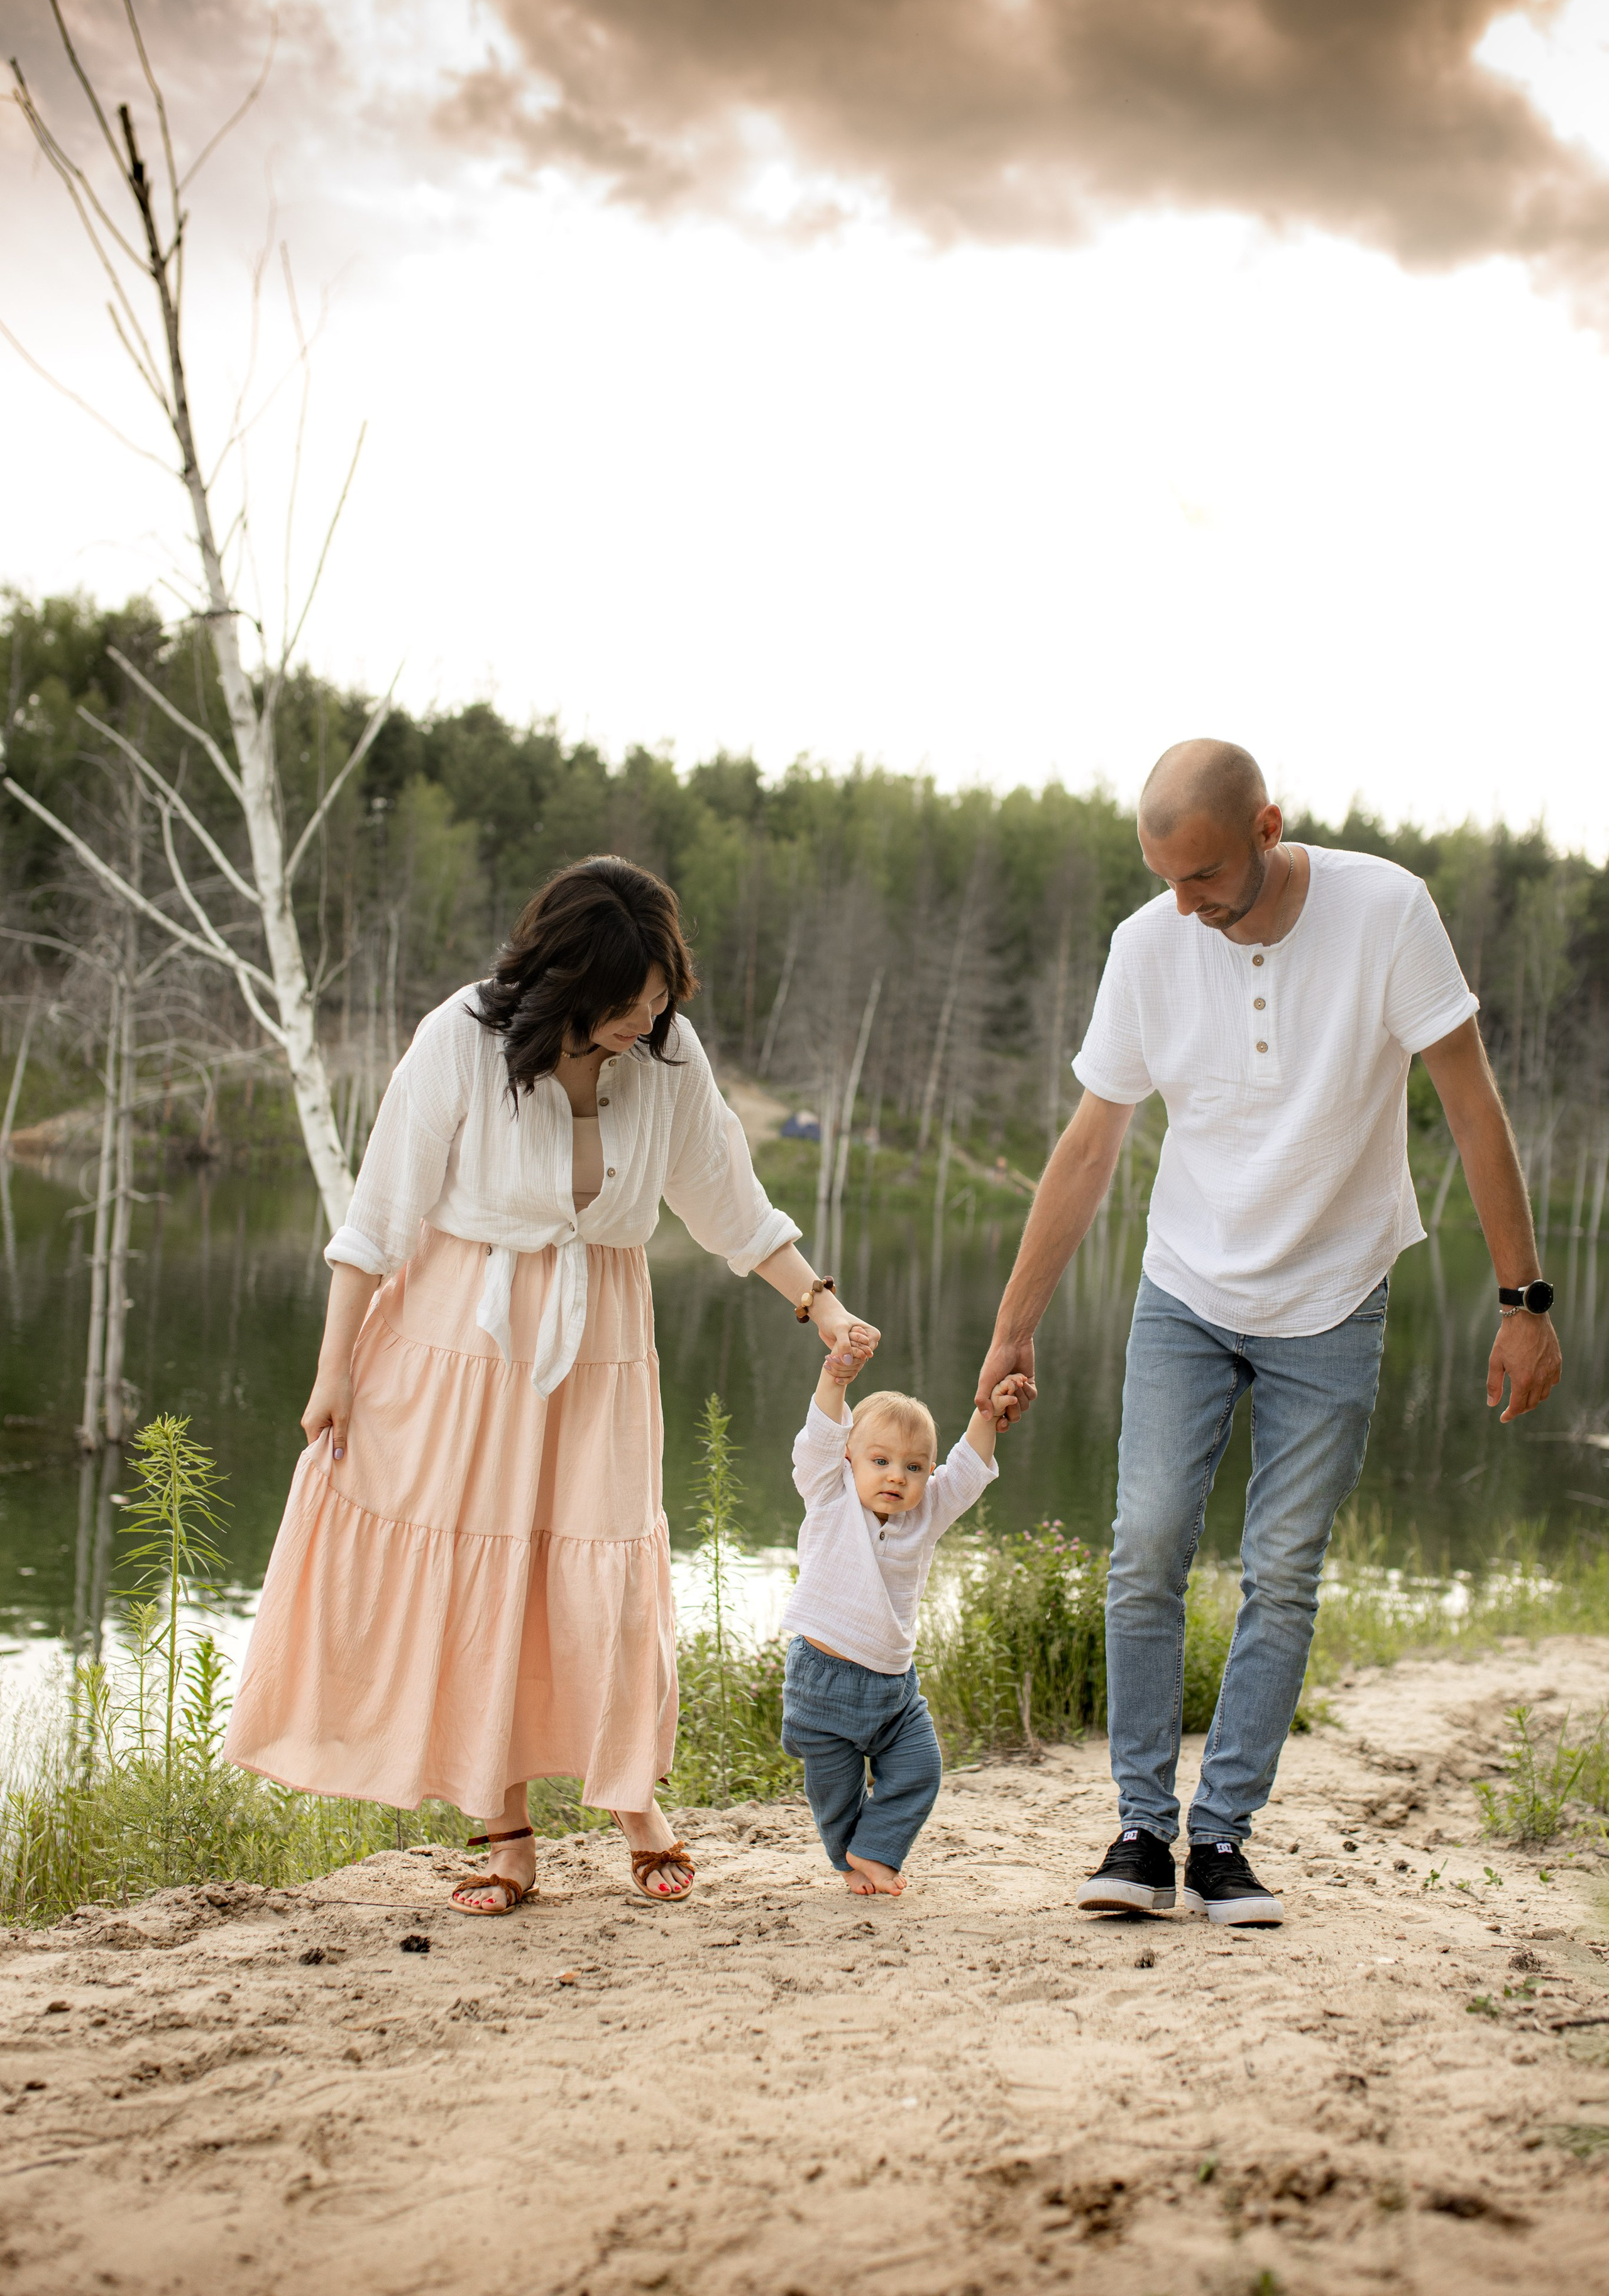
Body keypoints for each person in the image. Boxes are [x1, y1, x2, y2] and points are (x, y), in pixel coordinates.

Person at [975, 740, 1561, 1929]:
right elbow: (1091, 1145)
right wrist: (1012, 1329)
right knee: (1144, 1550)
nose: (1184, 905)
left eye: (1203, 878)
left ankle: (1224, 1839)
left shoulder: (1387, 911)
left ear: (1269, 829)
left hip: (1334, 1299)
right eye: (1166, 880)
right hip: (1185, 1287)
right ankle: (1141, 1830)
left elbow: (1469, 1096)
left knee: (1283, 1575)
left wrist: (1524, 1301)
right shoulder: (1149, 944)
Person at [224, 857, 879, 1911]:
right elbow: (376, 1221)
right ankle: (505, 1824)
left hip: (601, 1337)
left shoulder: (666, 1054)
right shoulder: (460, 1040)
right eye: (623, 1006)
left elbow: (729, 1202)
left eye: (661, 1000)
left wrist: (823, 1306)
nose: (645, 1022)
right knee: (489, 1573)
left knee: (603, 1563)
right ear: (563, 986)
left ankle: (634, 1801)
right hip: (461, 1340)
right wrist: (332, 1371)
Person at [780, 1346, 1031, 1895]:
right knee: (835, 1791)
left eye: (914, 1467)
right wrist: (834, 1379)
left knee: (921, 1768)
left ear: (927, 1473)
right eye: (881, 1461)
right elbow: (819, 1438)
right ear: (849, 1459)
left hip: (894, 1687)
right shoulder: (828, 1494)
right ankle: (850, 1861)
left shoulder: (926, 1513)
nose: (897, 1477)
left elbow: (967, 1469)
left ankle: (874, 1849)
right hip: (823, 1680)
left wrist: (989, 1411)